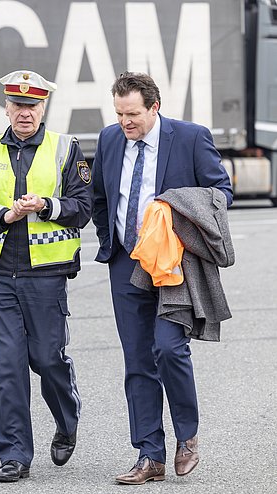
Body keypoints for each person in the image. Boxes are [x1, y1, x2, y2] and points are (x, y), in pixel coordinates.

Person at [91, 72, 233, 485]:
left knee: (169, 349)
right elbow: (101, 197)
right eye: (118, 114)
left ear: (154, 107)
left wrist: (175, 206)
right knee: (137, 361)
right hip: (126, 262)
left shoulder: (190, 137)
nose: (125, 123)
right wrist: (110, 241)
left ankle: (186, 436)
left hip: (173, 263)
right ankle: (148, 455)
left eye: (132, 114)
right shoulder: (109, 139)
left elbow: (221, 191)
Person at [0, 70, 92, 482]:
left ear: (43, 107)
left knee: (47, 360)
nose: (24, 113)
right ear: (7, 107)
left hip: (46, 277)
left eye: (32, 106)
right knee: (10, 367)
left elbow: (82, 207)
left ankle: (67, 419)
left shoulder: (66, 149)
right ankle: (15, 455)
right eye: (17, 105)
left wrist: (46, 205)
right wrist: (4, 214)